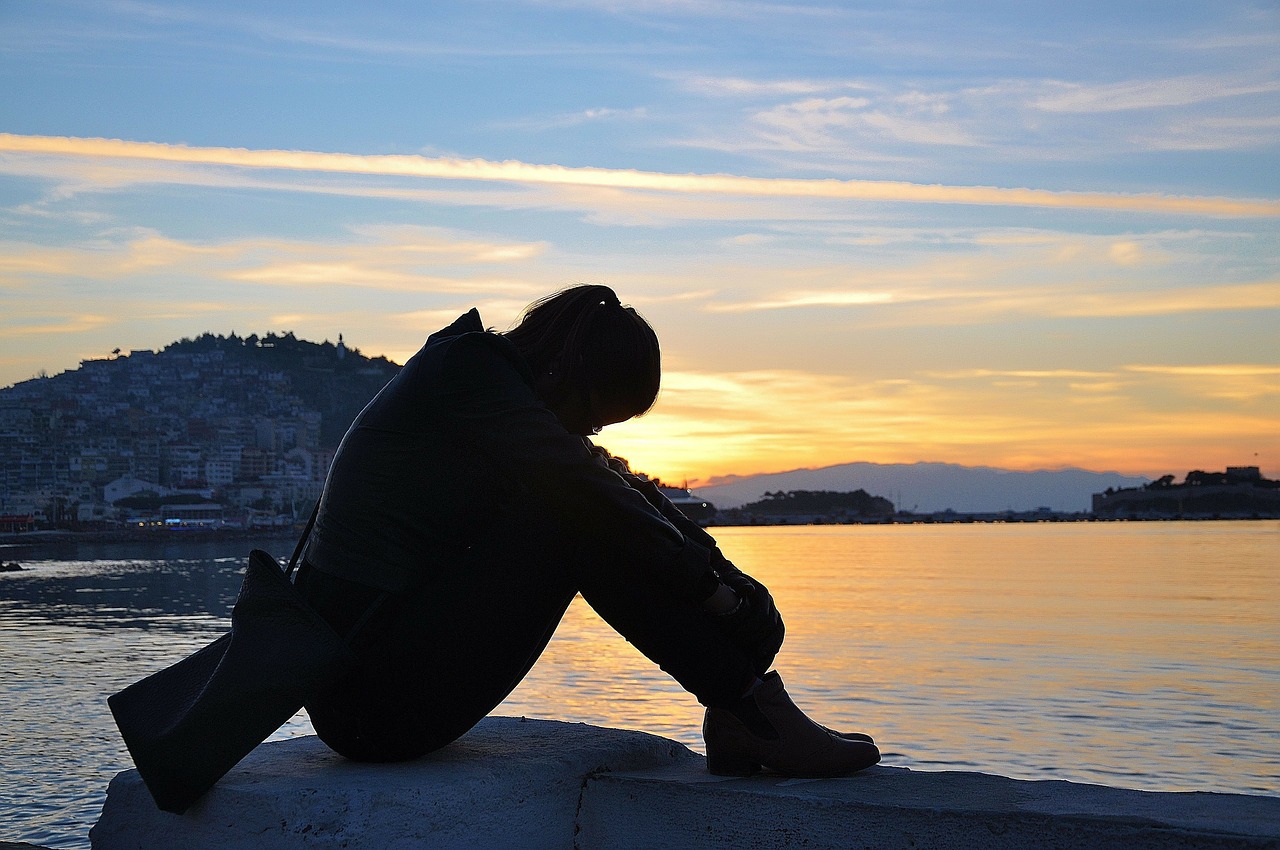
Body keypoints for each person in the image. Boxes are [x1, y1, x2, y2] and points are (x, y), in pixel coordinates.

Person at [295, 284, 880, 777]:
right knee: (569, 514)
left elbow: (616, 485)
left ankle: (744, 709)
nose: (592, 429)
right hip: (367, 702)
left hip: (391, 672)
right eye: (597, 415)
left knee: (585, 498)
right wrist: (714, 596)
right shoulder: (465, 375)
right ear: (569, 371)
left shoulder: (489, 384)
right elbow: (588, 491)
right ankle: (748, 710)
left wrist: (734, 587)